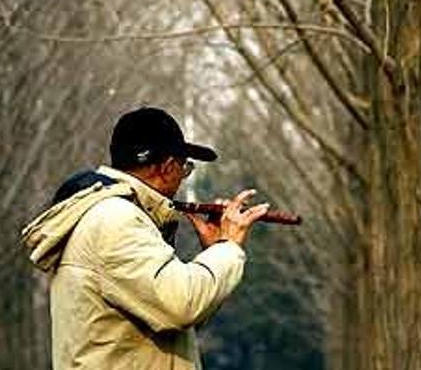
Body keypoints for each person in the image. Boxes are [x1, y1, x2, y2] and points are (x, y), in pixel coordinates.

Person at [21, 106, 270, 369]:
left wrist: (212, 251)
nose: (182, 180)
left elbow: (179, 320)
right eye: (184, 169)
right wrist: (228, 247)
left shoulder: (110, 215)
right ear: (167, 167)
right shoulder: (116, 220)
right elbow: (181, 304)